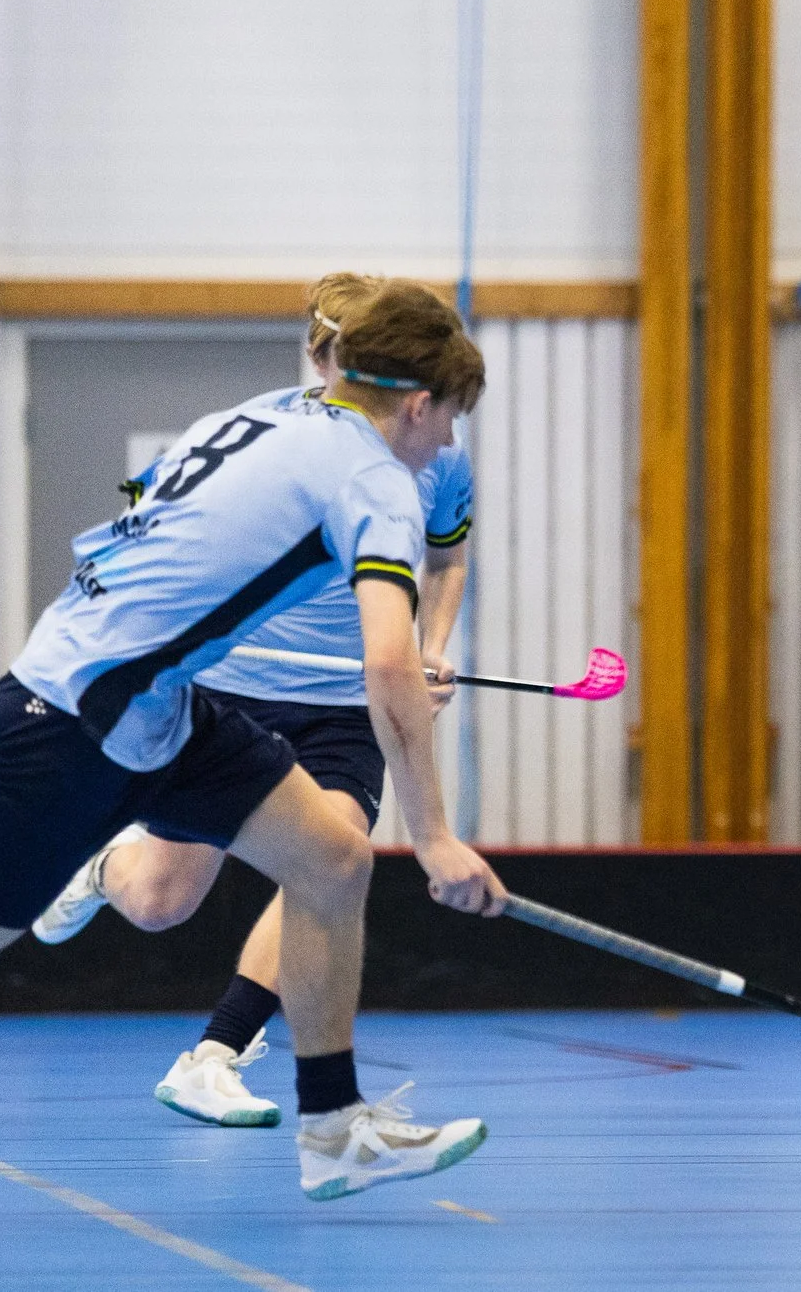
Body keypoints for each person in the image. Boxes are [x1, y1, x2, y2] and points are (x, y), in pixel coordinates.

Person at [0, 280, 504, 1202]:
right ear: (416, 403)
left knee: (332, 859)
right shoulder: (378, 477)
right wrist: (438, 836)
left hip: (150, 703)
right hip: (77, 717)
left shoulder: (258, 415)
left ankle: (335, 1127)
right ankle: (328, 1119)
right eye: (447, 418)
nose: (447, 442)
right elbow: (390, 669)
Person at [25, 273, 475, 1133]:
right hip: (235, 693)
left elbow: (447, 560)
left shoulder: (434, 452)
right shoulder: (262, 433)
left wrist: (428, 648)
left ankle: (216, 1055)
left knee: (332, 860)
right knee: (162, 900)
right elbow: (152, 527)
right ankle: (95, 863)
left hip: (347, 707)